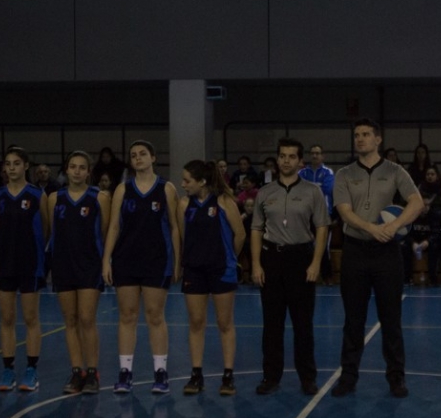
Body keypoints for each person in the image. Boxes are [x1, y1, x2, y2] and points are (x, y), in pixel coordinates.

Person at [331, 119, 423, 398]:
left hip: (387, 254)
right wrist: (372, 228)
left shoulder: (395, 171)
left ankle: (396, 378)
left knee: (391, 319)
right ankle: (348, 377)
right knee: (353, 319)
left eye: (366, 134)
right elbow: (344, 211)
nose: (360, 139)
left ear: (378, 139)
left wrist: (395, 226)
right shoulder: (344, 174)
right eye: (356, 135)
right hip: (355, 251)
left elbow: (417, 202)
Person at [102, 140, 182, 395]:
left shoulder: (166, 188)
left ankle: (160, 371)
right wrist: (106, 259)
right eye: (134, 155)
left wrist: (177, 261)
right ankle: (125, 372)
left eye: (143, 154)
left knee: (155, 315)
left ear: (153, 157)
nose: (138, 158)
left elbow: (174, 227)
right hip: (125, 260)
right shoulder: (122, 189)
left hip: (156, 260)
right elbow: (114, 226)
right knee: (127, 316)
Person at [250, 138, 329, 396]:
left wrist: (316, 262)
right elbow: (256, 229)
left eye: (291, 156)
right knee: (272, 324)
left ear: (300, 161)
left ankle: (307, 377)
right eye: (282, 156)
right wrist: (256, 264)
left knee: (303, 324)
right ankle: (271, 377)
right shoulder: (264, 192)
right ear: (277, 159)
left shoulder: (313, 192)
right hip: (272, 259)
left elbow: (322, 227)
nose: (286, 161)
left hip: (301, 260)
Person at [180, 159, 245, 396]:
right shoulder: (184, 204)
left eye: (187, 180)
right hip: (194, 270)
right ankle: (196, 373)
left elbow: (240, 234)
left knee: (224, 322)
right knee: (196, 322)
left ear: (202, 181)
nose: (183, 184)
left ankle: (228, 374)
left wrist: (229, 258)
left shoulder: (224, 202)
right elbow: (183, 236)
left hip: (221, 269)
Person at [48, 151, 110, 395]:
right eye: (72, 166)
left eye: (82, 167)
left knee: (86, 318)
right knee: (70, 320)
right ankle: (77, 371)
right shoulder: (54, 198)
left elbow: (104, 232)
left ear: (88, 172)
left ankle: (92, 372)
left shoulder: (99, 197)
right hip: (63, 264)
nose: (76, 171)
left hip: (89, 265)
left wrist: (104, 263)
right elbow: (51, 230)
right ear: (66, 169)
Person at [0, 147, 49, 393]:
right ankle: (8, 369)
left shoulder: (37, 194)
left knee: (30, 318)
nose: (12, 167)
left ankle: (32, 369)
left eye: (16, 163)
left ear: (26, 166)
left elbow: (46, 227)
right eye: (8, 163)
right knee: (6, 318)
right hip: (4, 262)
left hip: (30, 263)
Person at [298, 143, 335, 283]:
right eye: (312, 153)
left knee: (323, 246)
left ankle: (327, 276)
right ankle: (306, 276)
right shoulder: (302, 173)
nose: (315, 155)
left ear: (322, 156)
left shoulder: (328, 172)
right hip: (305, 215)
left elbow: (327, 188)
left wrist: (310, 188)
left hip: (323, 215)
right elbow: (299, 190)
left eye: (317, 153)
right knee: (304, 246)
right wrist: (316, 186)